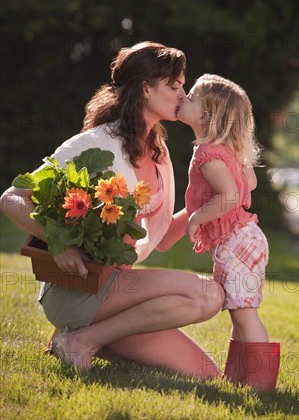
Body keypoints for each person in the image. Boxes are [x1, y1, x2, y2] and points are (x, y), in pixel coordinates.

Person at [0, 42, 224, 376]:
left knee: (207, 374)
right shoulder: (95, 144)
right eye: (175, 85)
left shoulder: (158, 150)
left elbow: (159, 239)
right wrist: (59, 241)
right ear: (146, 88)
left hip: (118, 290)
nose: (183, 93)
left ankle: (83, 338)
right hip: (78, 287)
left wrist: (208, 206)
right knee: (208, 294)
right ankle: (82, 337)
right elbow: (12, 198)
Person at [177, 74, 280, 390]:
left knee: (245, 314)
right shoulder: (228, 149)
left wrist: (196, 218)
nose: (183, 98)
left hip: (235, 241)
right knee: (240, 312)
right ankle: (239, 379)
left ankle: (262, 385)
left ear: (205, 116)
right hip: (247, 237)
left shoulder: (207, 153)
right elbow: (249, 183)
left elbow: (231, 197)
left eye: (191, 97)